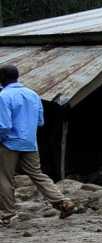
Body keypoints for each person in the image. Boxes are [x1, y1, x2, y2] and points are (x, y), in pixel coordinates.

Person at [0, 64, 76, 223]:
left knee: (4, 179)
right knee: (37, 174)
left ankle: (8, 215)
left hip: (9, 143)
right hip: (30, 142)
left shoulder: (3, 96)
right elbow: (40, 122)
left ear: (2, 78)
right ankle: (62, 202)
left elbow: (4, 126)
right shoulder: (33, 94)